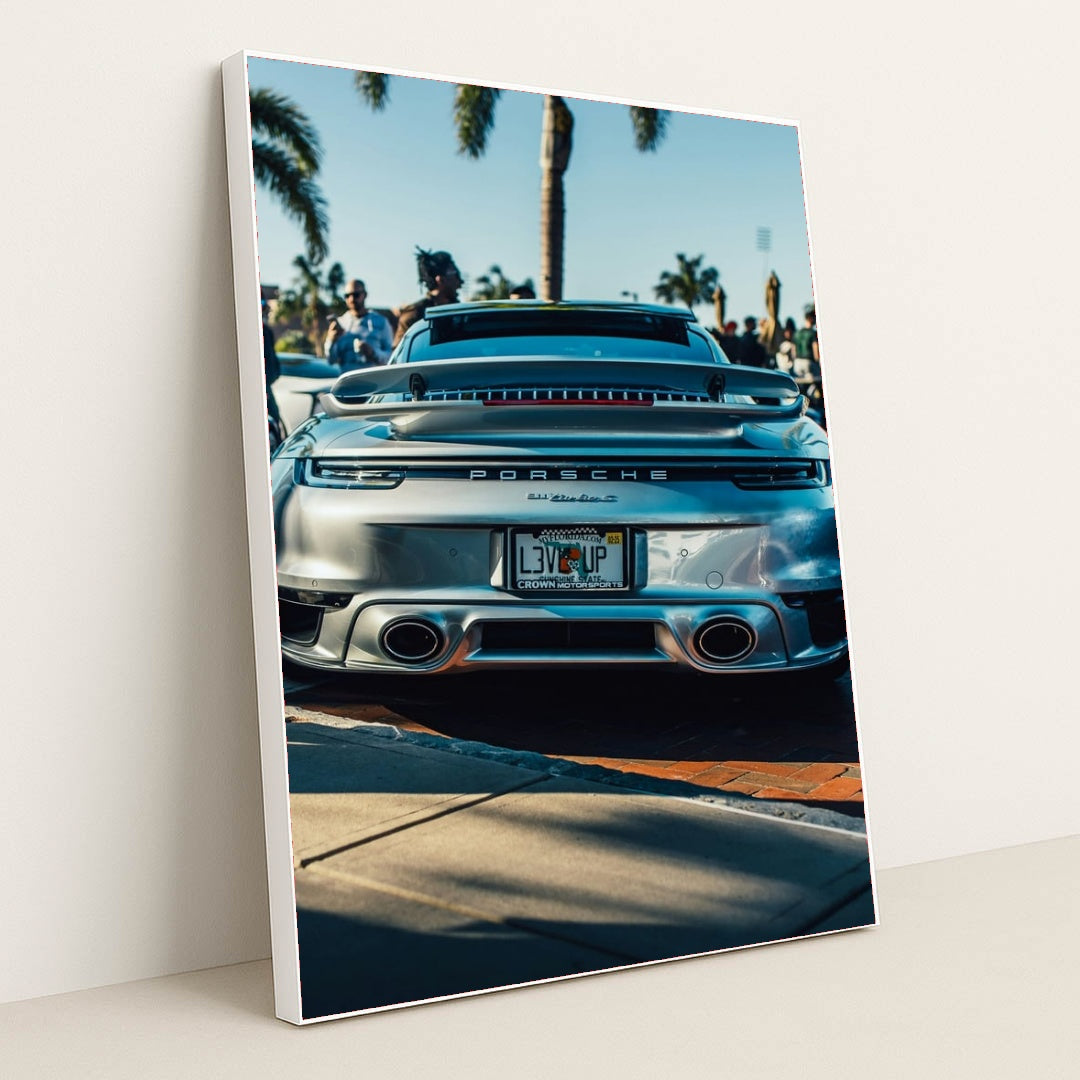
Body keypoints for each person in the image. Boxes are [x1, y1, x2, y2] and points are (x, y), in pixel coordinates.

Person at [393, 248, 462, 347]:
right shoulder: (415, 314)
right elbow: (400, 351)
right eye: (455, 276)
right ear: (441, 280)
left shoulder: (460, 313)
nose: (459, 283)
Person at [324, 279, 394, 370]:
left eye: (356, 295)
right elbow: (331, 360)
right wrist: (331, 340)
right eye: (347, 296)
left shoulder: (381, 322)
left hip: (373, 378)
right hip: (348, 378)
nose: (351, 299)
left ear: (365, 295)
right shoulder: (341, 323)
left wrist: (372, 353)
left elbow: (391, 357)